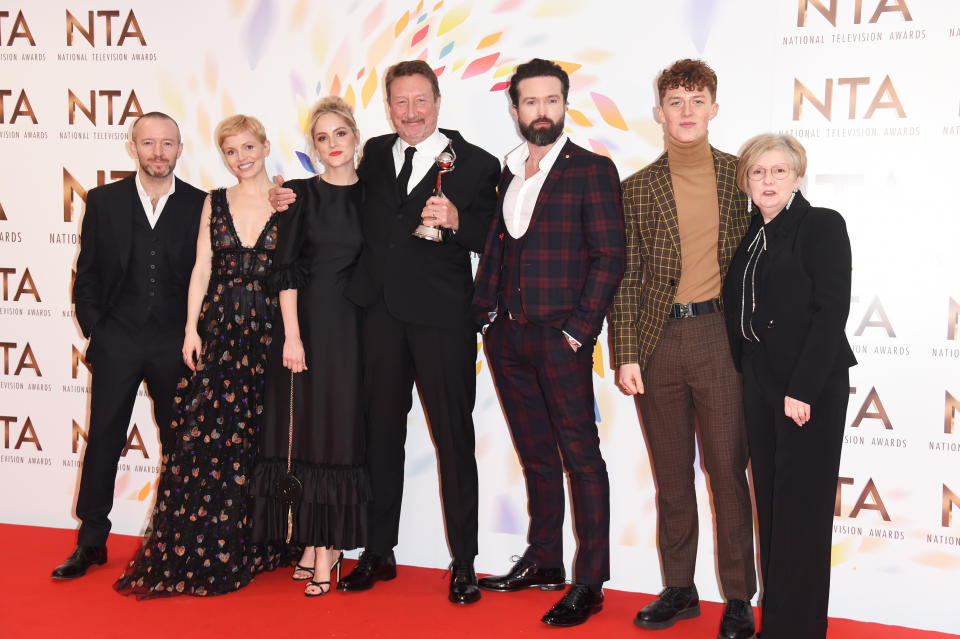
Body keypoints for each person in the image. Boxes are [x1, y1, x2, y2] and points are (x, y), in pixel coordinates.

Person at [274, 60, 500, 604]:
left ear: (438, 101)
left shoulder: (476, 163)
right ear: (389, 107)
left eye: (420, 100)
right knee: (380, 440)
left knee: (454, 439)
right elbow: (333, 186)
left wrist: (458, 224)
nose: (411, 112)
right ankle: (379, 552)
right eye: (400, 102)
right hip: (377, 320)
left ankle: (464, 562)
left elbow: (499, 234)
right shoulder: (374, 153)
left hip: (443, 322)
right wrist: (287, 197)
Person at [471, 58, 624, 627]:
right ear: (515, 110)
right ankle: (544, 559)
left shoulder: (591, 170)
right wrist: (484, 318)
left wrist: (577, 332)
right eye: (530, 102)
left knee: (581, 458)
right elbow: (499, 248)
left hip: (561, 340)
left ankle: (590, 581)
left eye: (551, 101)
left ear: (565, 105)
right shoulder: (509, 171)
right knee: (535, 455)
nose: (541, 111)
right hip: (508, 336)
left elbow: (610, 257)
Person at [608, 59, 756, 638]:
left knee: (727, 474)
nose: (686, 111)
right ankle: (679, 588)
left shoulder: (741, 175)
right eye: (676, 101)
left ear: (714, 109)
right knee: (672, 476)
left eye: (697, 100)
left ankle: (739, 597)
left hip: (722, 340)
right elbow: (625, 276)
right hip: (658, 342)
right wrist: (626, 352)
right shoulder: (637, 187)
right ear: (659, 112)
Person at [113, 114, 284, 597]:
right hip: (222, 332)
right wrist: (191, 329)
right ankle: (205, 544)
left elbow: (294, 275)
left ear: (265, 146)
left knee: (261, 439)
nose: (241, 158)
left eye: (248, 147)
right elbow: (202, 268)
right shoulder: (215, 202)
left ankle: (260, 544)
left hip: (268, 334)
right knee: (207, 443)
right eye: (230, 151)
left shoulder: (287, 200)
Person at [52, 112, 205, 580]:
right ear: (132, 147)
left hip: (175, 345)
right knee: (103, 440)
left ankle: (183, 539)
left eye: (167, 144)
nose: (158, 152)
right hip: (118, 338)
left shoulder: (202, 204)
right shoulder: (103, 201)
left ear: (180, 149)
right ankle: (91, 542)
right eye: (148, 143)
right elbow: (89, 273)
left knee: (182, 443)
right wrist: (98, 330)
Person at [722, 133, 855, 639]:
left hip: (808, 388)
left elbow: (830, 314)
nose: (768, 180)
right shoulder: (755, 233)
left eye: (779, 171)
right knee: (774, 512)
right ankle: (776, 624)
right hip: (760, 383)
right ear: (747, 182)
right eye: (758, 172)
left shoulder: (820, 225)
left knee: (801, 514)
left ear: (798, 177)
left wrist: (801, 388)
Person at [250, 97, 368, 598]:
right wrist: (292, 336)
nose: (332, 145)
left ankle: (328, 544)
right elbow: (287, 270)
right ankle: (313, 541)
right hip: (305, 327)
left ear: (355, 138)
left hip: (355, 331)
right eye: (322, 138)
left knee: (337, 434)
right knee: (303, 435)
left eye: (340, 133)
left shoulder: (376, 196)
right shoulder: (299, 196)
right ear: (313, 147)